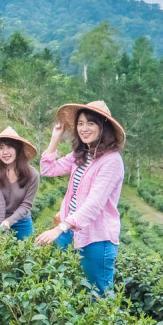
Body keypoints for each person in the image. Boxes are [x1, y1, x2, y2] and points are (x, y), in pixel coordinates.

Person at [35, 101, 126, 296]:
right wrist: (55, 138)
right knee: (61, 281)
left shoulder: (112, 161)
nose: (84, 128)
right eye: (80, 123)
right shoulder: (83, 153)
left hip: (97, 238)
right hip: (71, 230)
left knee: (99, 295)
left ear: (104, 126)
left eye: (91, 123)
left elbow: (94, 204)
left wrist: (60, 227)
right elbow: (48, 169)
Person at [0, 126, 39, 240]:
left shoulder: (33, 175)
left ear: (18, 149)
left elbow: (26, 205)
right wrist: (2, 227)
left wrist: (9, 222)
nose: (5, 152)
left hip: (22, 220)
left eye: (10, 147)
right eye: (1, 147)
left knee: (26, 253)